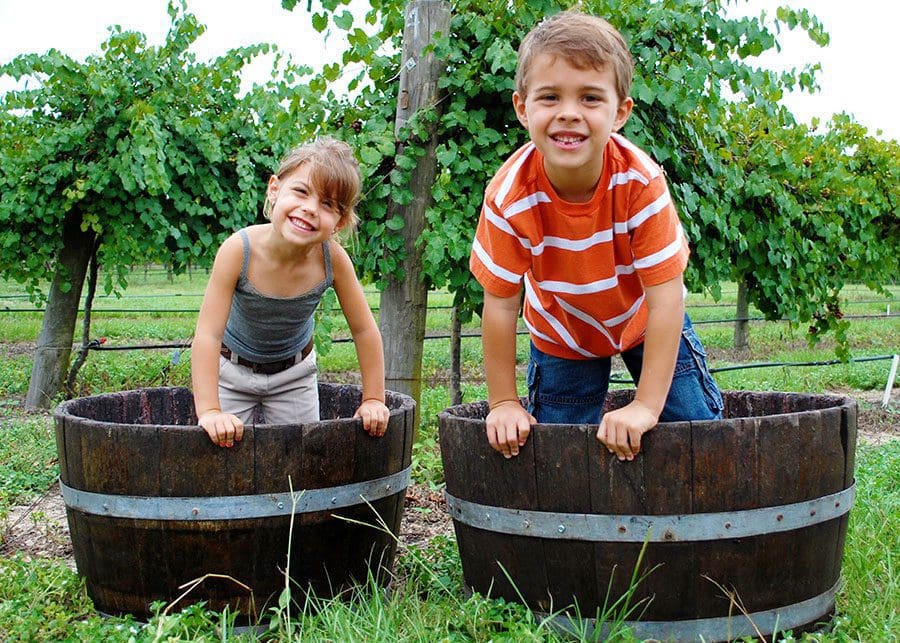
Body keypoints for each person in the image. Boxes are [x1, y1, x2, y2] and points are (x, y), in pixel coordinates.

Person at [469, 10, 723, 462]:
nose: (569, 114)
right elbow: (502, 303)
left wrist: (645, 406)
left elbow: (666, 302)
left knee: (699, 431)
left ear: (620, 112)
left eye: (590, 98)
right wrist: (503, 403)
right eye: (550, 97)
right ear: (522, 107)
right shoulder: (508, 198)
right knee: (557, 451)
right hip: (562, 330)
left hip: (646, 318)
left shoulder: (641, 185)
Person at [192, 137, 390, 447]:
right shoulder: (238, 251)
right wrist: (210, 411)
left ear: (340, 222)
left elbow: (364, 330)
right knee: (223, 460)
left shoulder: (332, 260)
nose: (310, 209)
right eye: (301, 191)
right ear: (274, 188)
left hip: (294, 376)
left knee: (301, 460)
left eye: (328, 204)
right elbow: (208, 335)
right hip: (231, 372)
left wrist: (374, 398)